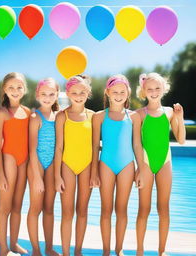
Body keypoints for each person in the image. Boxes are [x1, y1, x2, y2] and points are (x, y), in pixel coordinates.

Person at [90, 74, 144, 256]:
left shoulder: (134, 117)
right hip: (105, 164)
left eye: (122, 91)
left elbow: (137, 144)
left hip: (127, 165)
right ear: (107, 92)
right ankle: (106, 250)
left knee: (122, 209)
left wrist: (141, 169)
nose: (119, 95)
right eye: (115, 92)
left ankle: (119, 249)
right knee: (106, 210)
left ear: (128, 93)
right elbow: (95, 146)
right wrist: (93, 172)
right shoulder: (98, 117)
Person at [136, 73, 186, 256]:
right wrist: (139, 168)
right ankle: (140, 250)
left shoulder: (169, 112)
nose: (154, 92)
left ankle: (162, 251)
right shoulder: (139, 114)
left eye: (157, 88)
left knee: (163, 208)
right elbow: (135, 143)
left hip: (165, 162)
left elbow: (180, 140)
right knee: (144, 208)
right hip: (146, 163)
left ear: (164, 89)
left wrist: (180, 117)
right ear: (143, 91)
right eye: (150, 89)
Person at [55, 75, 94, 256]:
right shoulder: (62, 116)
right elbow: (59, 147)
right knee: (67, 212)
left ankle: (77, 251)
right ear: (68, 93)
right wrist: (57, 176)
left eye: (82, 92)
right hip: (67, 165)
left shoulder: (93, 116)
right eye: (74, 92)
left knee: (83, 210)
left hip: (86, 165)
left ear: (88, 93)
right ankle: (65, 252)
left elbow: (95, 147)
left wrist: (95, 172)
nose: (78, 95)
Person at [0, 72, 30, 256]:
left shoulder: (29, 112)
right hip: (8, 158)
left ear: (24, 89)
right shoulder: (1, 113)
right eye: (11, 88)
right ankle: (3, 248)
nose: (15, 91)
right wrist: (0, 173)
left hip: (24, 161)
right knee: (5, 207)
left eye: (18, 87)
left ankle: (14, 243)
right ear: (4, 90)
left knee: (17, 205)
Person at [27, 78, 60, 256]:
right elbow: (32, 150)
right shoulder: (35, 117)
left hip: (52, 163)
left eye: (51, 94)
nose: (47, 98)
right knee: (35, 208)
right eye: (44, 94)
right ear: (37, 95)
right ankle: (36, 250)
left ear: (57, 94)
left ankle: (48, 248)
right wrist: (37, 177)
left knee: (49, 208)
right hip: (37, 164)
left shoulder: (59, 116)